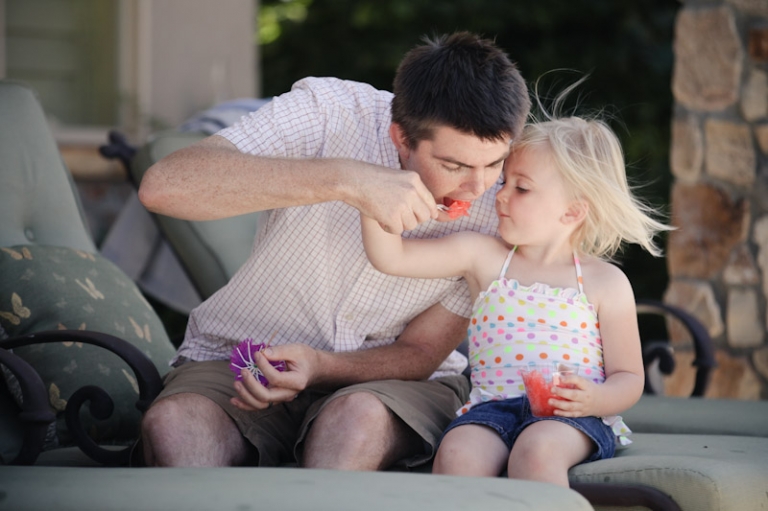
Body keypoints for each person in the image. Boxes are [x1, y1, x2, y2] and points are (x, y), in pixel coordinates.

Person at [136, 32, 531, 469]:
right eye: (454, 165)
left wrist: (320, 366)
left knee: (354, 421)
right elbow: (164, 186)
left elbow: (419, 354)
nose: (478, 188)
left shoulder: (505, 205)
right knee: (174, 425)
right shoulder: (329, 111)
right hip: (240, 358)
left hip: (391, 385)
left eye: (493, 163)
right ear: (401, 138)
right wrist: (346, 179)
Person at [360, 83, 672, 486]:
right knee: (456, 455)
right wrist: (370, 199)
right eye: (504, 182)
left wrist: (595, 399)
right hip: (491, 409)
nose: (500, 196)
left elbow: (629, 377)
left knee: (536, 452)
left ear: (572, 211)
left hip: (570, 417)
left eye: (521, 188)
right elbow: (393, 257)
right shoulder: (485, 257)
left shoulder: (604, 282)